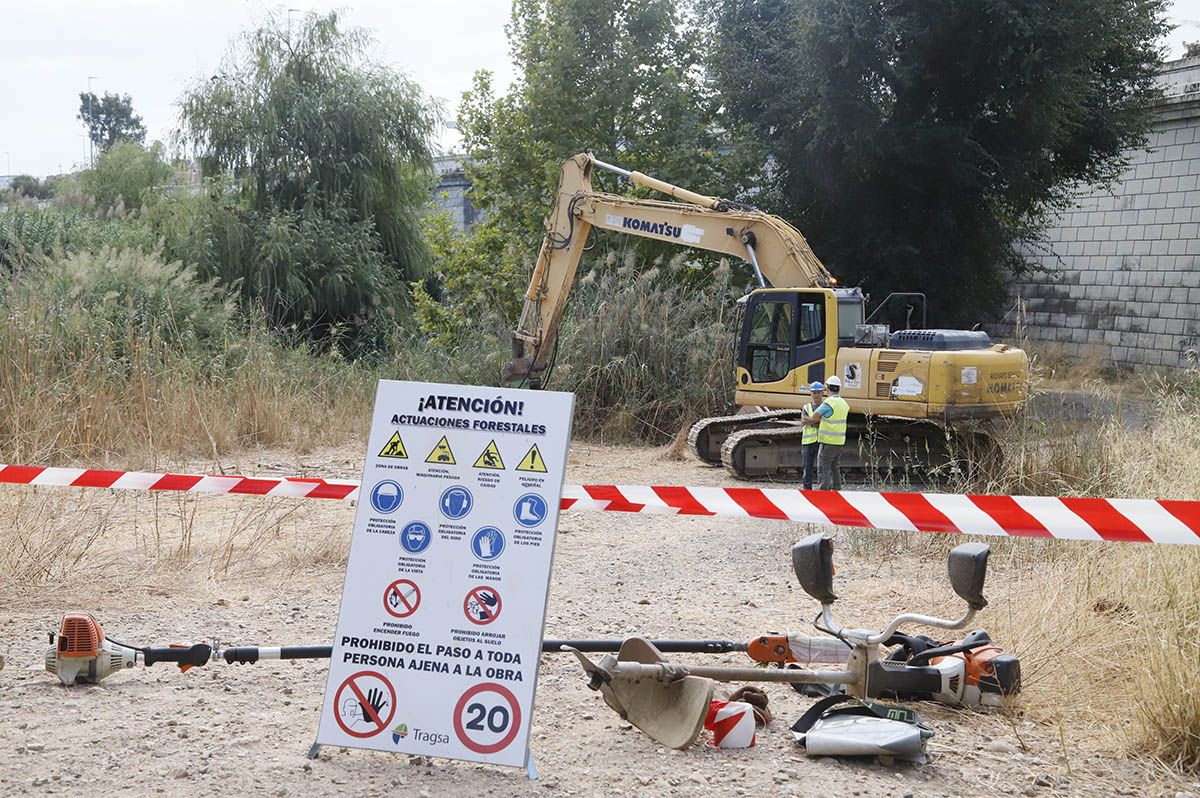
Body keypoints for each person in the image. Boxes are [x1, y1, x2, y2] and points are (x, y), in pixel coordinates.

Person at [802, 375, 850, 490]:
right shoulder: (844, 403)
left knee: (824, 467)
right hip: (839, 441)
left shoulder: (829, 403)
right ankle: (836, 490)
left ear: (827, 388)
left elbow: (814, 417)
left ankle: (824, 493)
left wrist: (813, 421)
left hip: (828, 441)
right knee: (835, 467)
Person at [800, 381, 824, 490]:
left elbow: (824, 422)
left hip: (821, 440)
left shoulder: (825, 406)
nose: (816, 394)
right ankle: (807, 489)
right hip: (808, 442)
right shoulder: (806, 407)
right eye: (813, 392)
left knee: (822, 468)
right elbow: (804, 420)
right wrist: (817, 421)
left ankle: (822, 489)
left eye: (818, 392)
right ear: (811, 393)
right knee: (807, 468)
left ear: (822, 393)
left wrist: (812, 421)